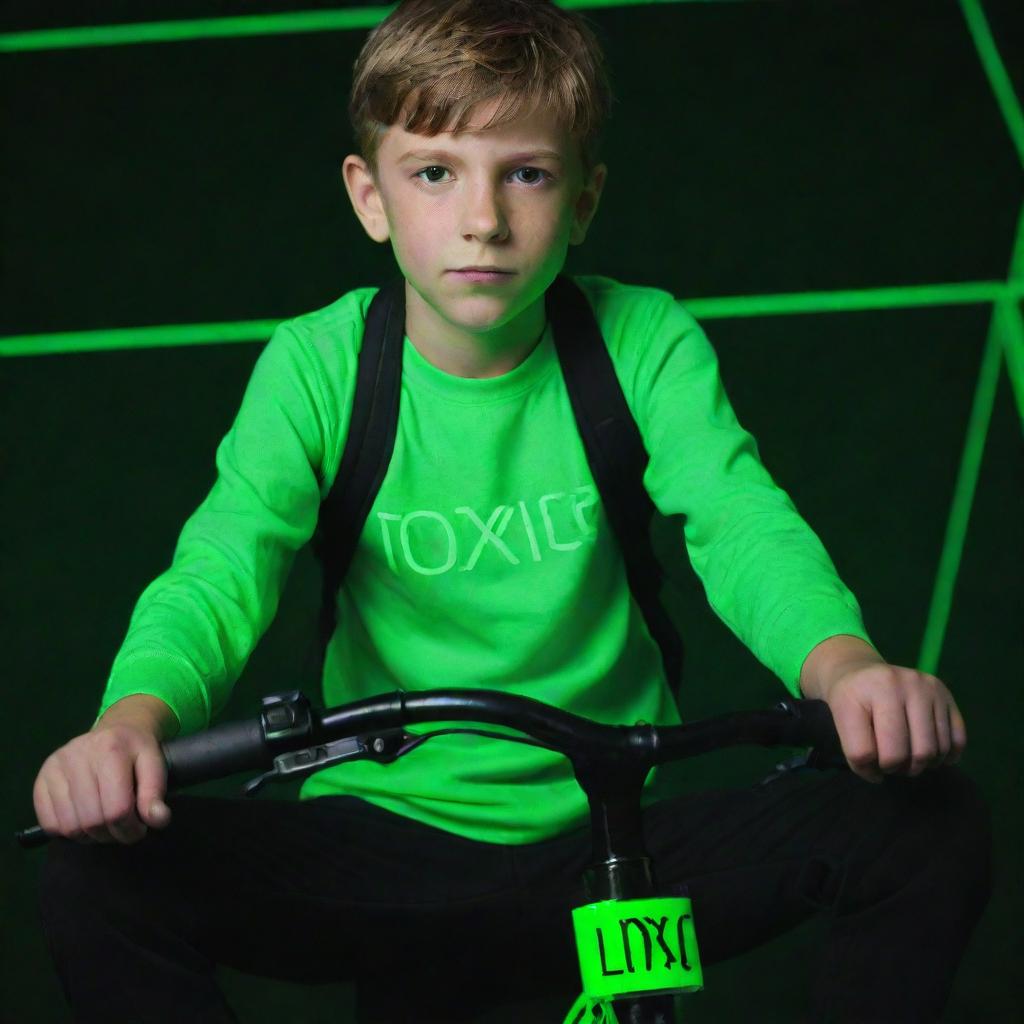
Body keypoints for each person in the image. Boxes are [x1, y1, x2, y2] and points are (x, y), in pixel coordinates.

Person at [34, 2, 992, 1022]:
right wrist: (131, 722)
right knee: (92, 871)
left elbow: (740, 519)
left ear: (583, 200)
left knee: (922, 823)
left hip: (618, 841)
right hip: (385, 848)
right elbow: (222, 565)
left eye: (525, 173)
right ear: (371, 196)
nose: (482, 217)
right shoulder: (317, 365)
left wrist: (843, 668)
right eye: (435, 172)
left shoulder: (644, 340)